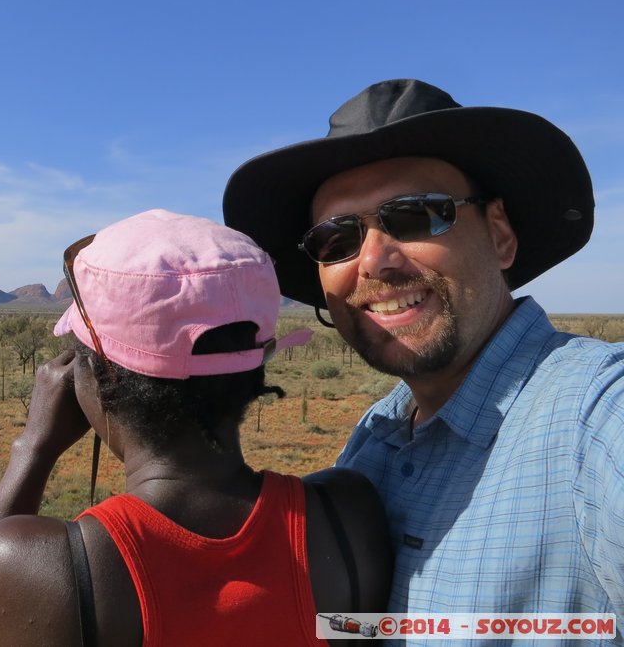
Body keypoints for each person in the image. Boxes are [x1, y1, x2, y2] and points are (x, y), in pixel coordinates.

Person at [223, 79, 624, 639]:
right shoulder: (377, 434)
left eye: (414, 215)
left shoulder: (596, 419)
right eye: (336, 239)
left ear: (501, 234)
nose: (374, 261)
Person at [0, 209, 392, 646]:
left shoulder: (39, 569)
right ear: (255, 369)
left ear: (99, 377)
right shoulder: (347, 515)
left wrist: (33, 448)